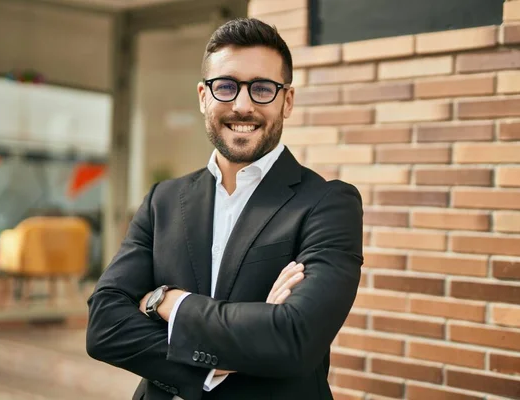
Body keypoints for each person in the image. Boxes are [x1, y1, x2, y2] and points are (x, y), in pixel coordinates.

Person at [86, 17, 364, 400]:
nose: (243, 105)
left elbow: (294, 339)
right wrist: (224, 354)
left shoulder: (328, 203)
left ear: (287, 101)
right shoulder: (162, 200)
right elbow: (104, 326)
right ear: (203, 96)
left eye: (263, 88)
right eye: (226, 86)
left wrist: (165, 301)